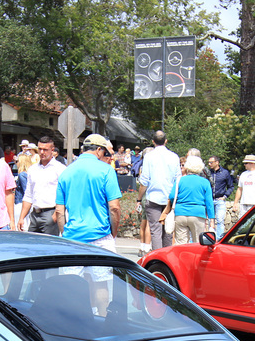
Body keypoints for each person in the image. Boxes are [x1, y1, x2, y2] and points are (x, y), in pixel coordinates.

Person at [54, 133, 122, 314]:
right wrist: (113, 232)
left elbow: (59, 211)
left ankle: (75, 324)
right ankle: (102, 322)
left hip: (73, 236)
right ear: (99, 150)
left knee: (71, 288)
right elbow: (114, 208)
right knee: (101, 285)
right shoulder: (106, 170)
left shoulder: (66, 172)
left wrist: (65, 233)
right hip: (100, 236)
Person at [136, 130, 181, 250]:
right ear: (166, 141)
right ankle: (166, 257)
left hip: (153, 198)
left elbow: (144, 181)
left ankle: (157, 258)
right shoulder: (174, 157)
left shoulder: (149, 156)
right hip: (169, 199)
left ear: (153, 142)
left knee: (155, 231)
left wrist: (139, 199)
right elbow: (178, 179)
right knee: (168, 231)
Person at [160, 155, 213, 245]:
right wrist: (211, 220)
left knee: (180, 243)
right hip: (198, 214)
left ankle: (182, 258)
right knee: (198, 242)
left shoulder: (179, 180)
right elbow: (209, 202)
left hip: (180, 214)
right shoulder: (205, 182)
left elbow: (172, 196)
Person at [20, 136, 66, 235]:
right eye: (40, 149)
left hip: (50, 213)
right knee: (31, 247)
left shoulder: (60, 169)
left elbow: (66, 194)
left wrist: (55, 215)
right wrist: (21, 217)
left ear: (52, 150)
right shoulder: (33, 169)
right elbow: (28, 195)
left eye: (45, 150)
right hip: (35, 214)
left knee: (49, 248)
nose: (42, 152)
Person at [205, 155, 234, 240]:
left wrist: (225, 196)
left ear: (217, 162)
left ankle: (219, 239)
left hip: (220, 200)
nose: (209, 164)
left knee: (220, 220)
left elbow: (231, 186)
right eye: (208, 162)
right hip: (209, 200)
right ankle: (211, 239)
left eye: (211, 162)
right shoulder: (208, 173)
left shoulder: (225, 173)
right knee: (210, 220)